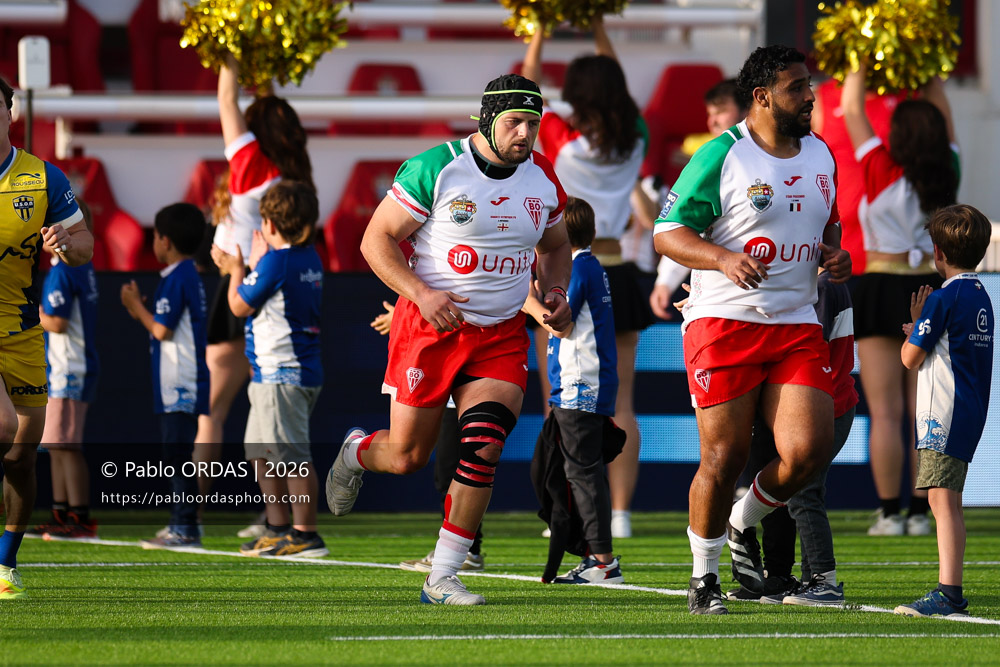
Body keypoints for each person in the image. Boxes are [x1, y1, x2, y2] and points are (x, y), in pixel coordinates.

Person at [325, 73, 571, 606]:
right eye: (514, 122)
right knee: (408, 456)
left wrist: (555, 289)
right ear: (486, 120)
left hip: (501, 334)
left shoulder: (542, 176)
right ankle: (357, 452)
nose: (525, 134)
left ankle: (443, 575)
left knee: (482, 446)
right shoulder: (435, 167)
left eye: (533, 122)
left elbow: (556, 244)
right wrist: (421, 293)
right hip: (430, 331)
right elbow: (375, 239)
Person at [653, 45, 852, 615]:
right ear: (763, 97)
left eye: (809, 85)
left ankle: (741, 523)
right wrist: (720, 259)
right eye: (797, 87)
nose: (810, 96)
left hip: (795, 322)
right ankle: (704, 579)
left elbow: (827, 231)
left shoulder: (821, 155)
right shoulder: (722, 155)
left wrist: (834, 257)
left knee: (809, 451)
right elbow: (667, 233)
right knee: (724, 455)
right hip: (723, 322)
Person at [524, 18, 652, 539]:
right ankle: (618, 512)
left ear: (576, 93)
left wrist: (537, 27)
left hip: (563, 268)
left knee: (558, 399)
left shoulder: (560, 135)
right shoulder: (635, 134)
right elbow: (614, 79)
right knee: (620, 401)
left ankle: (569, 512)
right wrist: (598, 23)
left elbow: (525, 87)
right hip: (617, 271)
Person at [198, 56, 315, 539]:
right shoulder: (295, 178)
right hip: (283, 301)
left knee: (214, 413)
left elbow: (226, 97)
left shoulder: (250, 165)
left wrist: (231, 45)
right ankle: (277, 520)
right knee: (270, 421)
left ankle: (190, 517)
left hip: (241, 287)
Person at [841, 65, 959, 537]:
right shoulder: (948, 168)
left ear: (896, 134)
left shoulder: (879, 166)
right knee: (923, 410)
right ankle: (919, 512)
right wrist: (927, 59)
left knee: (885, 411)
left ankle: (889, 513)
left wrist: (860, 57)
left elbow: (851, 107)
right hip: (932, 290)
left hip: (879, 286)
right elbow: (943, 103)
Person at [0, 75, 93, 600]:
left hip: (21, 329)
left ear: (9, 112)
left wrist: (67, 244)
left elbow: (85, 244)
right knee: (2, 424)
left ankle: (6, 562)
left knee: (21, 455)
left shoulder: (41, 178)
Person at [726, 268, 858, 606]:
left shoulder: (822, 286)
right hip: (823, 401)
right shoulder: (821, 284)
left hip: (824, 403)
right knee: (792, 489)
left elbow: (801, 344)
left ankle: (823, 581)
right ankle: (791, 578)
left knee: (802, 491)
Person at [212, 180, 327, 559]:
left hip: (282, 374)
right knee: (262, 453)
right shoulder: (307, 257)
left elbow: (239, 306)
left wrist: (236, 268)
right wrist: (259, 263)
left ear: (271, 225)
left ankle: (304, 533)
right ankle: (277, 528)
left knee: (291, 456)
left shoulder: (280, 261)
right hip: (275, 374)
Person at [894, 204, 993, 618]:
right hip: (968, 412)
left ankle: (949, 592)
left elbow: (908, 359)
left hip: (943, 415)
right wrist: (922, 329)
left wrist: (918, 325)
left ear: (938, 253)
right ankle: (949, 590)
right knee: (947, 499)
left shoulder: (944, 297)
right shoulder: (979, 294)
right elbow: (944, 347)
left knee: (942, 501)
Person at [524, 196, 622, 584]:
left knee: (582, 473)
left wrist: (525, 296)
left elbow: (557, 322)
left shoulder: (576, 269)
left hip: (580, 385)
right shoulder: (589, 265)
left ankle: (603, 560)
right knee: (561, 470)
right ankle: (593, 553)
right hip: (579, 385)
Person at [372, 303, 487, 573]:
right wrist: (402, 313)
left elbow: (450, 300)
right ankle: (464, 548)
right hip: (444, 377)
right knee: (430, 465)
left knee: (461, 469)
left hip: (466, 373)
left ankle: (465, 550)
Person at [121, 203, 209, 549]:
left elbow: (162, 330)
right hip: (182, 379)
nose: (153, 243)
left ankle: (185, 527)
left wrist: (134, 307)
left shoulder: (178, 277)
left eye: (155, 236)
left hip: (179, 382)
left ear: (166, 241)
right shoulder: (187, 276)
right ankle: (180, 521)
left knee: (177, 454)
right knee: (177, 452)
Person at [649, 79, 749, 321]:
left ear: (748, 109)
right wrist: (665, 281)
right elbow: (681, 227)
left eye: (721, 112)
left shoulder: (788, 154)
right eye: (710, 114)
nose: (712, 121)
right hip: (724, 307)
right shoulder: (710, 161)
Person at [30, 200, 100, 540]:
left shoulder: (64, 269)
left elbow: (56, 322)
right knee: (57, 443)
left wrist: (31, 314)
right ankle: (61, 513)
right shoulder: (80, 268)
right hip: (68, 365)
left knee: (67, 444)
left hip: (68, 366)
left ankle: (79, 518)